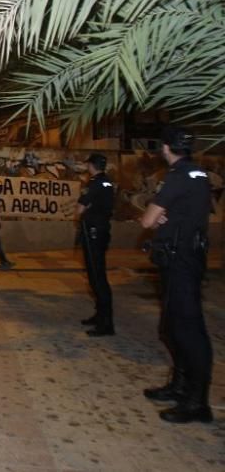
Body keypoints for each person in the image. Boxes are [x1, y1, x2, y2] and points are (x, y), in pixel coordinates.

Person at [140, 126, 213, 424]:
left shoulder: (177, 176)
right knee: (173, 326)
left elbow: (147, 220)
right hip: (188, 258)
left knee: (187, 329)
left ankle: (197, 403)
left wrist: (157, 216)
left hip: (180, 261)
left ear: (166, 148)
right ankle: (180, 387)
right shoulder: (200, 175)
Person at [77, 153, 116, 336]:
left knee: (97, 278)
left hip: (92, 233)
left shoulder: (93, 183)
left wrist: (85, 208)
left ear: (91, 165)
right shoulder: (108, 182)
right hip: (102, 232)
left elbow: (80, 209)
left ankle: (106, 323)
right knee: (98, 275)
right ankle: (100, 316)